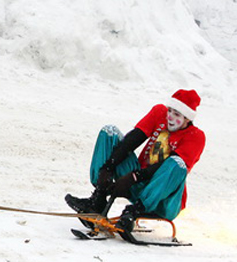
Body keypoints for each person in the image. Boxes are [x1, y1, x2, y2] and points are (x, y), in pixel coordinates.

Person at [65, 89, 206, 234]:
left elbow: (170, 167)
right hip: (139, 185)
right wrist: (107, 168)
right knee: (110, 131)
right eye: (170, 111)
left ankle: (134, 212)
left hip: (164, 199)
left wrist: (134, 177)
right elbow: (133, 140)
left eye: (176, 114)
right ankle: (97, 200)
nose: (169, 116)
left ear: (187, 119)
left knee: (177, 163)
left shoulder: (196, 137)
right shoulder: (160, 113)